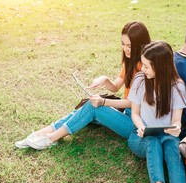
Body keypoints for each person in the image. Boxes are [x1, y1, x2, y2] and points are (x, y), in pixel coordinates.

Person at [15, 21, 151, 150]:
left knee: (93, 107)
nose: (125, 49)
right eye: (123, 44)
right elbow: (115, 87)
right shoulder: (130, 61)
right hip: (127, 115)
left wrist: (103, 102)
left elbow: (134, 104)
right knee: (81, 110)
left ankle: (51, 138)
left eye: (130, 46)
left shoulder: (146, 68)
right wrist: (105, 80)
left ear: (141, 45)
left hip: (135, 125)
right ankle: (40, 134)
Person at [128, 41, 186, 183]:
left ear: (160, 66)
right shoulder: (139, 80)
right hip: (141, 136)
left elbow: (176, 121)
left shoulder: (177, 86)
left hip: (167, 135)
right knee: (153, 142)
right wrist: (142, 127)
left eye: (147, 65)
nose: (142, 68)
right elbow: (135, 113)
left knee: (172, 147)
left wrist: (176, 128)